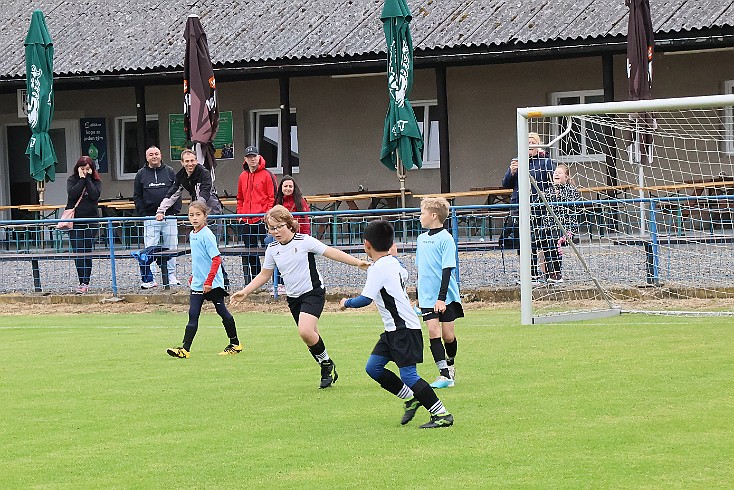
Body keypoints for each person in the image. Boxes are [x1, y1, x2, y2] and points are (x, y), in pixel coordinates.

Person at [231, 205, 369, 389]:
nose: (276, 231)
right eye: (271, 228)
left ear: (289, 224)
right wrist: (245, 291)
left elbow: (330, 252)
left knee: (305, 331)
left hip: (313, 293)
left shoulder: (304, 241)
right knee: (311, 336)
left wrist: (357, 262)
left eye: (279, 226)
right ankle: (326, 365)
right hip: (293, 298)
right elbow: (265, 274)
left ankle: (326, 364)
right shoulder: (272, 249)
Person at [339, 220, 454, 429]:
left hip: (404, 330)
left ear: (366, 245)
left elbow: (365, 299)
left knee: (409, 375)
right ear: (392, 244)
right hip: (394, 329)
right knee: (373, 368)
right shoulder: (393, 264)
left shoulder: (379, 268)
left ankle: (441, 413)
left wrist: (345, 303)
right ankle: (412, 398)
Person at [166, 201, 241, 358]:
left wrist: (209, 281)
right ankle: (185, 349)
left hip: (212, 283)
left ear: (205, 216)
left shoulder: (207, 235)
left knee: (223, 312)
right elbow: (200, 259)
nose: (194, 218)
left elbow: (216, 259)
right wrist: (195, 276)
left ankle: (235, 344)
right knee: (193, 314)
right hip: (198, 284)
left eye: (198, 215)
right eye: (191, 215)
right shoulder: (192, 234)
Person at [415, 197, 463, 389]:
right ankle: (444, 375)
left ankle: (450, 364)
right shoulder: (421, 239)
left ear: (433, 216)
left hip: (446, 297)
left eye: (423, 213)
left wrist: (441, 299)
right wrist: (419, 296)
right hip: (427, 297)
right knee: (433, 332)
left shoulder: (446, 239)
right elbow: (421, 270)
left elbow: (447, 270)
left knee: (448, 336)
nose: (420, 217)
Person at [501, 131, 555, 281]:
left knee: (543, 240)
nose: (530, 145)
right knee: (523, 241)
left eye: (533, 142)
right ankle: (529, 273)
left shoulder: (545, 161)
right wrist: (511, 172)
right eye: (528, 142)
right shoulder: (517, 161)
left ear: (538, 145)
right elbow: (506, 184)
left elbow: (551, 181)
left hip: (540, 207)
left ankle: (550, 273)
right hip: (519, 207)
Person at [133, 145, 181, 289]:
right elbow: (137, 196)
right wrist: (143, 214)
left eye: (157, 154)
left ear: (161, 155)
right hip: (150, 218)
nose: (154, 157)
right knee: (150, 248)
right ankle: (150, 278)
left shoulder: (170, 172)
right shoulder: (141, 174)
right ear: (146, 157)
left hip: (169, 217)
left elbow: (177, 191)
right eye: (151, 154)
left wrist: (175, 211)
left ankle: (171, 276)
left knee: (171, 246)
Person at [236, 145, 276, 283]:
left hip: (263, 220)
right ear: (245, 159)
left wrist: (268, 214)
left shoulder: (267, 175)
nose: (252, 159)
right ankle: (256, 281)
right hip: (246, 220)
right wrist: (240, 215)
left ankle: (275, 281)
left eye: (254, 156)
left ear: (259, 157)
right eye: (249, 157)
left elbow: (273, 197)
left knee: (270, 250)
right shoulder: (242, 176)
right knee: (250, 252)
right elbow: (240, 198)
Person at [539, 164, 582, 283]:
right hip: (549, 225)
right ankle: (546, 272)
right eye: (555, 173)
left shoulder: (571, 190)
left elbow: (574, 206)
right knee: (543, 241)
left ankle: (557, 272)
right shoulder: (548, 190)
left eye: (560, 173)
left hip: (565, 226)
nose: (556, 174)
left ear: (566, 177)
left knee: (554, 240)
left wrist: (559, 195)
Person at [65, 156, 102, 294]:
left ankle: (86, 282)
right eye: (83, 168)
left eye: (88, 169)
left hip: (91, 220)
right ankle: (82, 281)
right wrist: (81, 180)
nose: (85, 171)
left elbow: (94, 195)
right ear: (78, 168)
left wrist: (87, 179)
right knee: (78, 252)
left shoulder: (96, 181)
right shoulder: (72, 180)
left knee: (87, 251)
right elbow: (72, 194)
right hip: (75, 221)